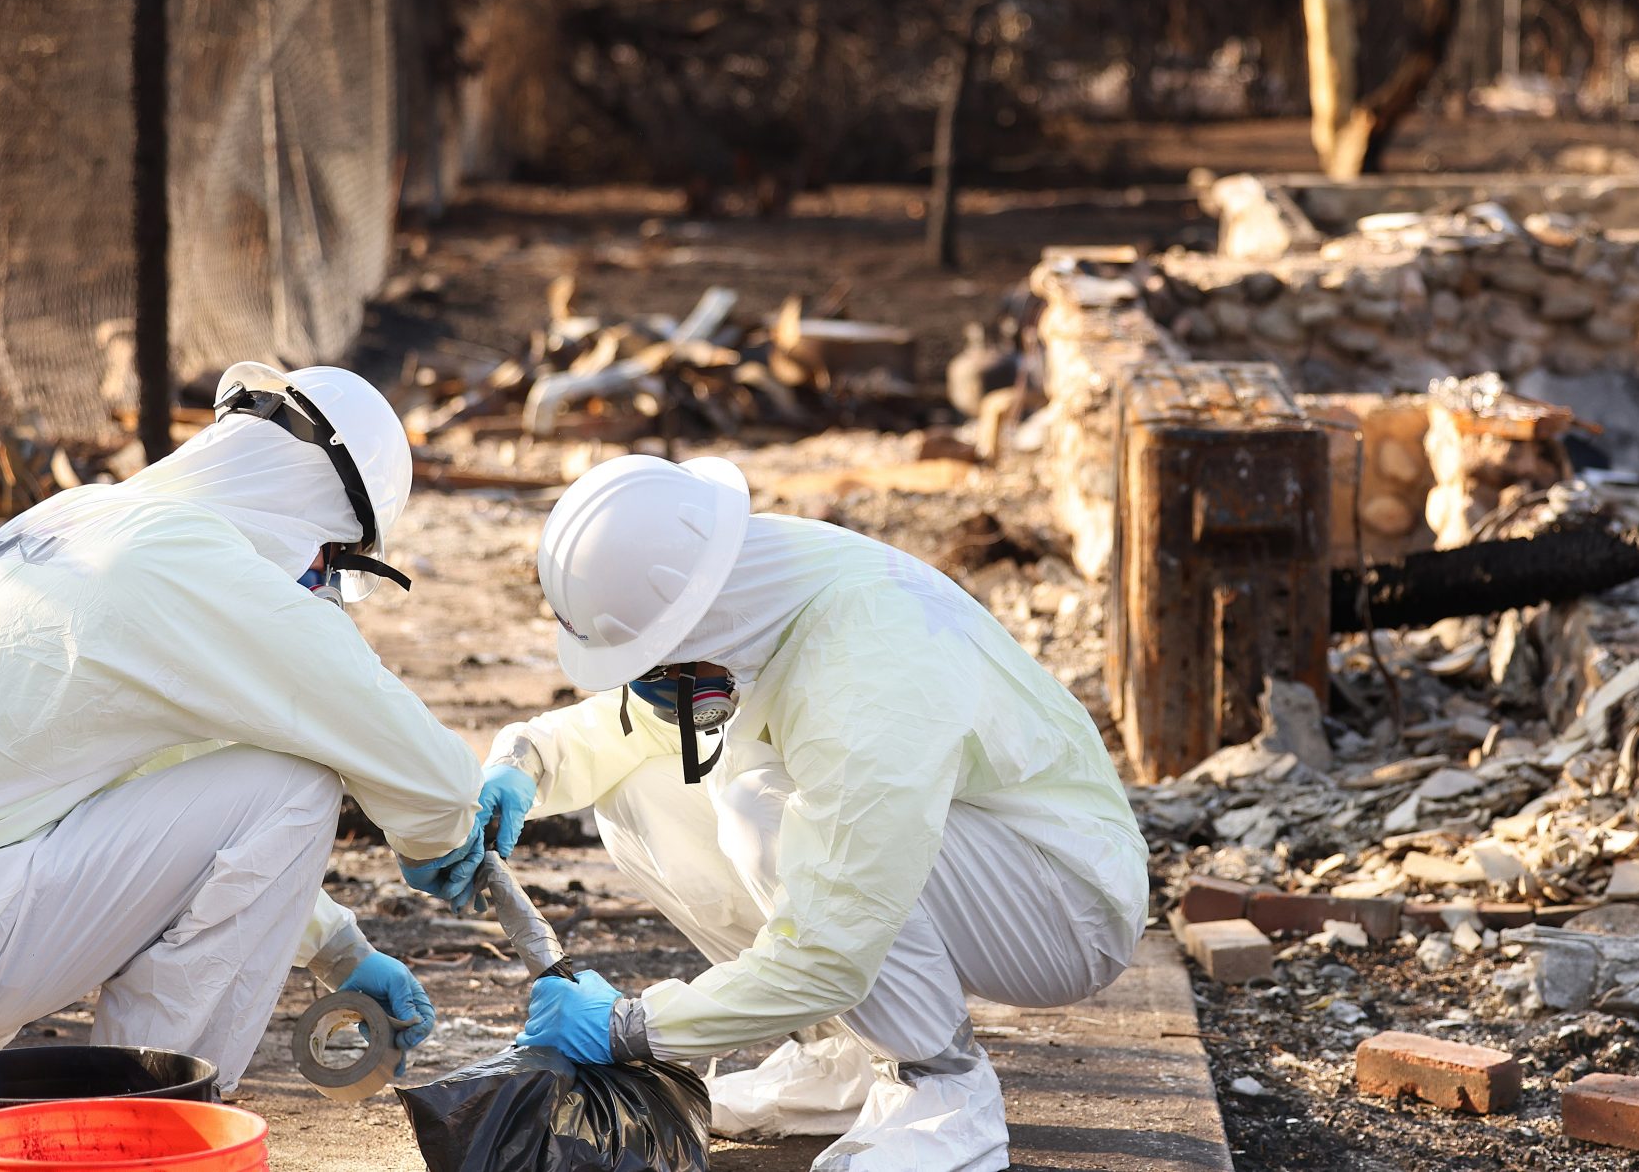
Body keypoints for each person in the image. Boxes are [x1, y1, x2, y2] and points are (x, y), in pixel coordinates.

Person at [0, 362, 495, 1171]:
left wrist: (339, 949)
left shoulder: (87, 518)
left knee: (23, 805)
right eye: (327, 564)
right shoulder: (197, 567)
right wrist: (444, 837)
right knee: (297, 783)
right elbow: (428, 776)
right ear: (321, 517)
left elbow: (154, 825)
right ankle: (141, 1136)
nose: (315, 583)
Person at [484, 454, 1147, 1172]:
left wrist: (634, 1028)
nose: (644, 689)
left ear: (687, 626)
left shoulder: (865, 672)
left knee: (759, 806)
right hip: (977, 853)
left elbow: (834, 942)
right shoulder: (748, 591)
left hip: (1065, 901)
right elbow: (635, 734)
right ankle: (838, 1058)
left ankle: (940, 1089)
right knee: (641, 786)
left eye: (647, 666)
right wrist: (525, 762)